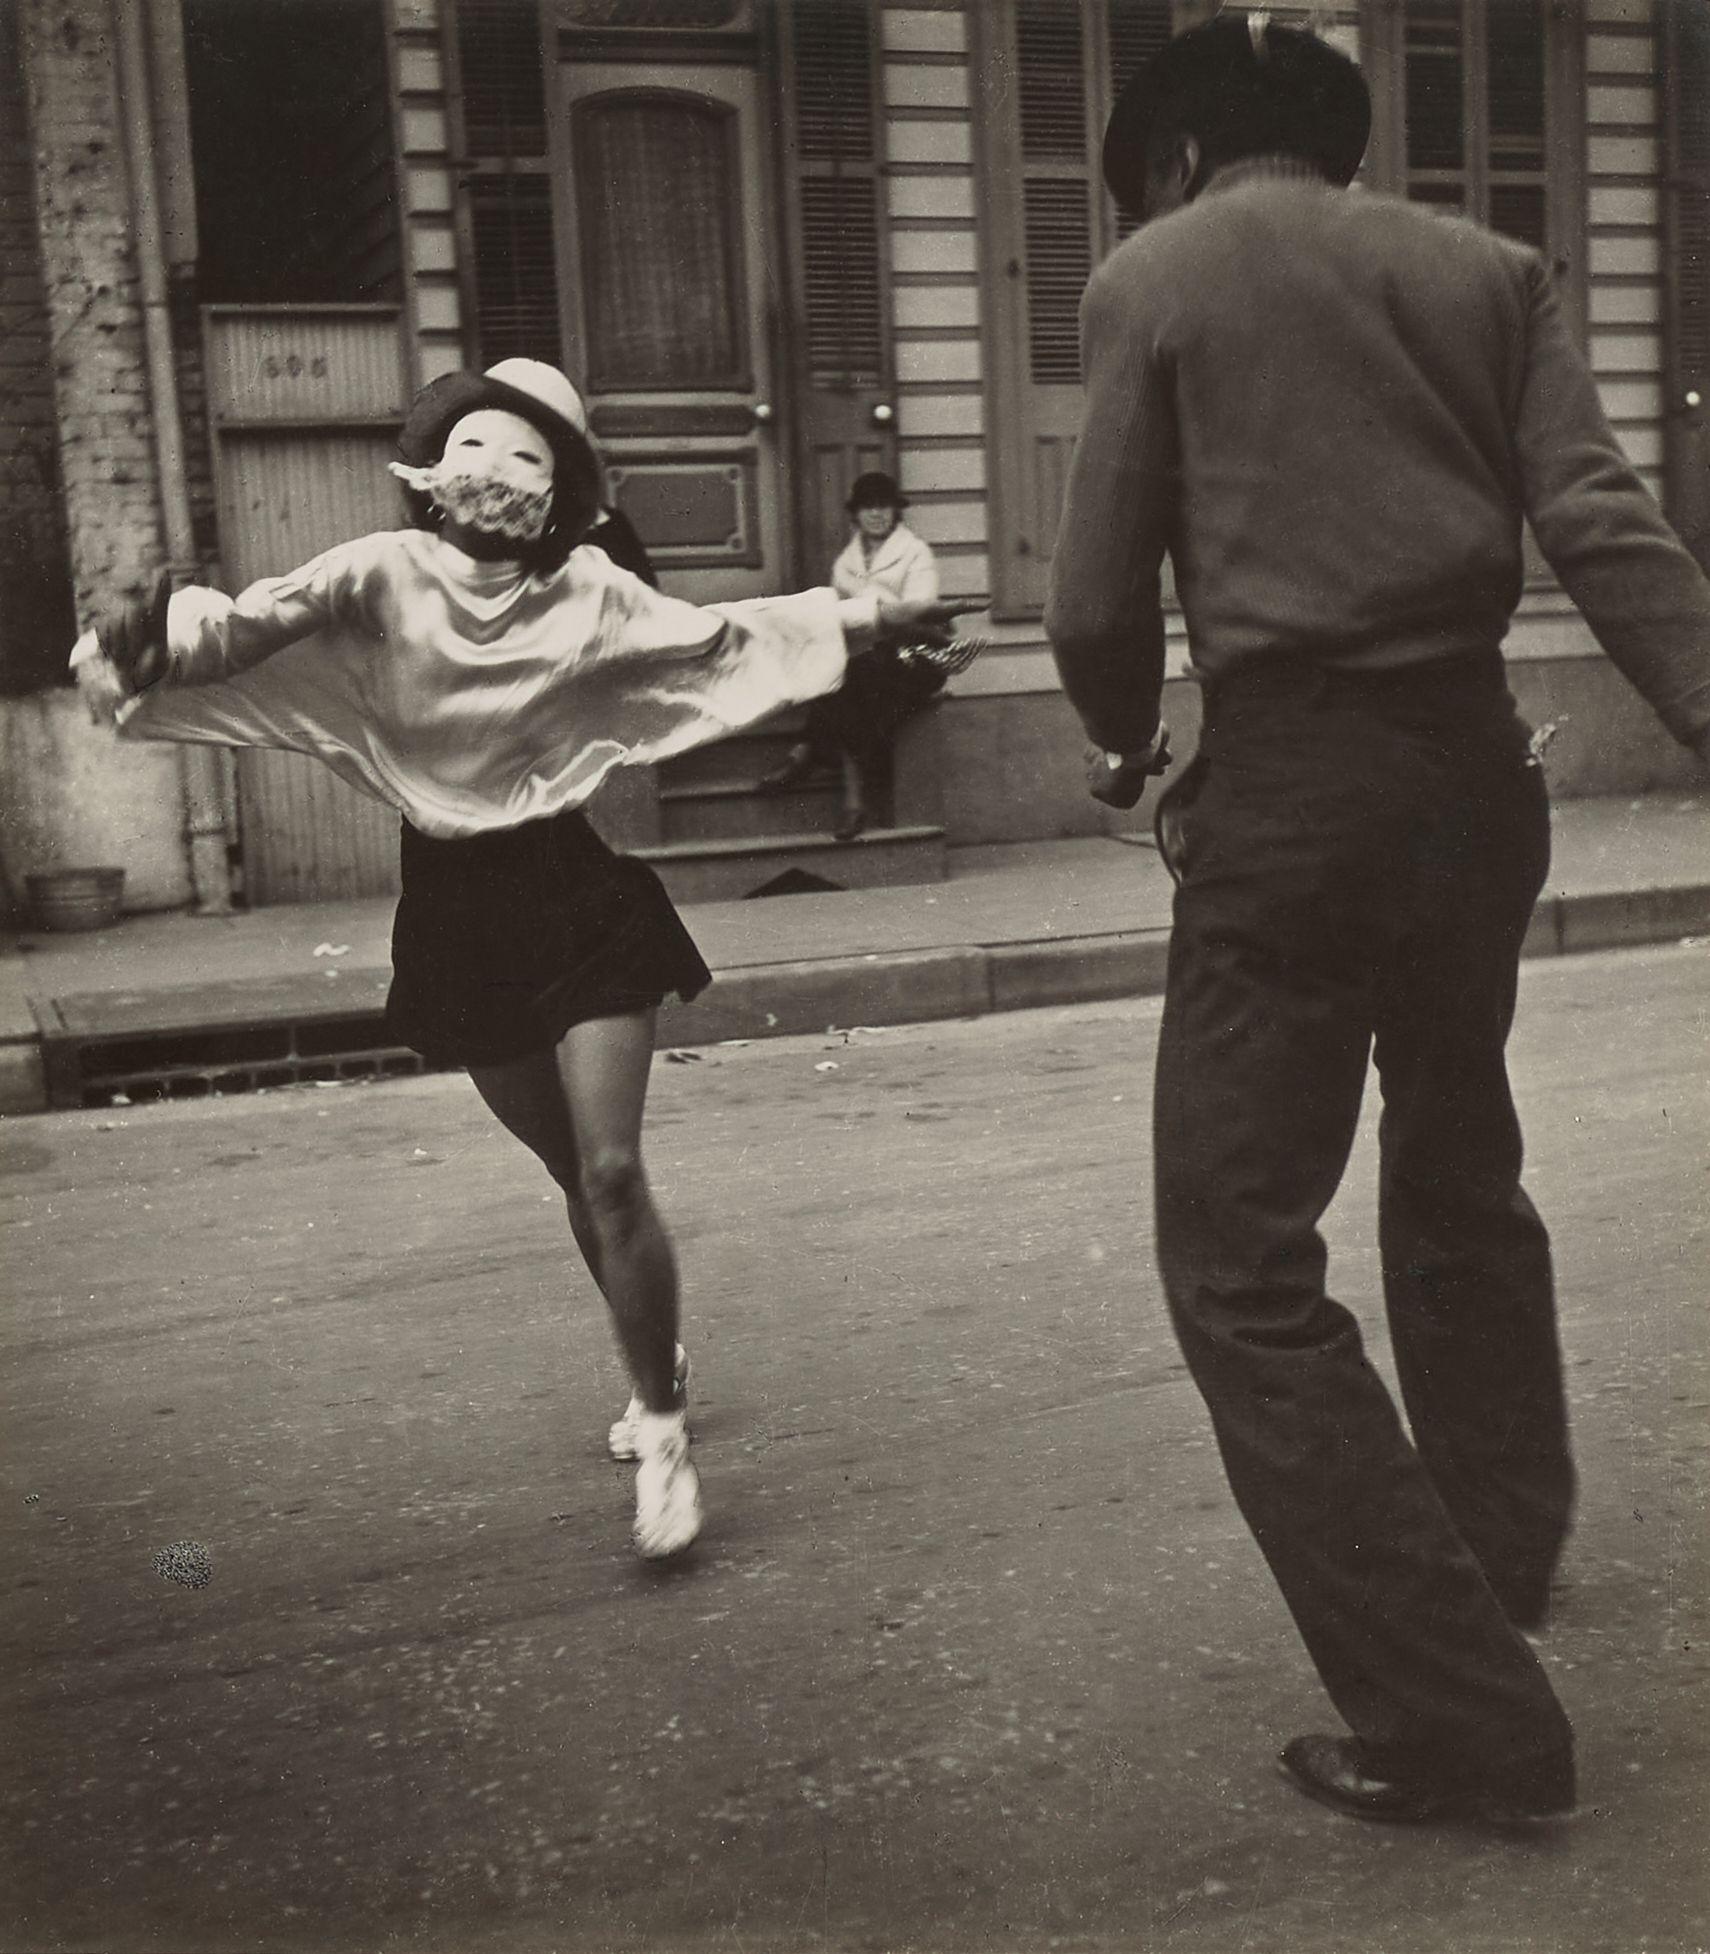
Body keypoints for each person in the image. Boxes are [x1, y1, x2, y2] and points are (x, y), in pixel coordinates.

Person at [1045, 13, 1710, 1825]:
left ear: (1175, 157)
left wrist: (1126, 747)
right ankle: (1503, 1544)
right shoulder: (1490, 268)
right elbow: (1603, 522)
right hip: (1475, 775)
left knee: (1239, 1265)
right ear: (1329, 145)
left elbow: (1096, 597)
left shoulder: (1155, 276)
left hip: (1294, 787)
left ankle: (1460, 1712)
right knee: (1458, 1154)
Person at [77, 358, 968, 1563]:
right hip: (453, 913)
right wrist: (153, 640)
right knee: (567, 1173)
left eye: (532, 458)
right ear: (436, 471)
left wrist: (864, 618)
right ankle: (657, 1342)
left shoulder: (590, 590)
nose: (499, 472)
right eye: (482, 447)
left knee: (611, 1172)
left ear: (562, 494)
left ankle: (661, 1432)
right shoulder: (376, 572)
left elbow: (714, 639)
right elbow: (248, 625)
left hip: (573, 891)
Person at [760, 472, 965, 840]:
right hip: (869, 656)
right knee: (849, 683)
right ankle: (853, 803)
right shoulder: (846, 560)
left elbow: (919, 613)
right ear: (855, 515)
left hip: (916, 654)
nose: (877, 515)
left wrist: (871, 612)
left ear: (895, 513)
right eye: (868, 508)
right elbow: (839, 615)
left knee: (849, 680)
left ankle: (806, 751)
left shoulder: (914, 552)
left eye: (884, 507)